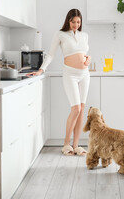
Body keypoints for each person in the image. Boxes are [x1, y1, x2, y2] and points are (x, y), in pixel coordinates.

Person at [27, 9, 91, 156]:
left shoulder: (84, 35)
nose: (76, 24)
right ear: (68, 21)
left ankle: (76, 145)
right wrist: (41, 70)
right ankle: (66, 144)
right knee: (75, 109)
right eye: (73, 21)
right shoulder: (60, 34)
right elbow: (51, 54)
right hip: (70, 74)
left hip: (84, 74)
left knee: (81, 110)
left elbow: (85, 53)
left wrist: (88, 59)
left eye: (78, 22)